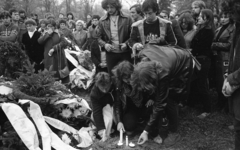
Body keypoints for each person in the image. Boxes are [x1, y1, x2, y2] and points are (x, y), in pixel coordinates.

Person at [131, 44, 195, 146]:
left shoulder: (163, 73)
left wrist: (145, 131)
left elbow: (160, 103)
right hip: (169, 59)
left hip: (184, 63)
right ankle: (161, 123)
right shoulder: (142, 55)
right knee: (161, 95)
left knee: (171, 99)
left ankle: (173, 131)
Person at [188, 9, 215, 118]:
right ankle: (192, 104)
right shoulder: (200, 30)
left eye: (201, 16)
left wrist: (192, 50)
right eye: (199, 16)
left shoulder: (209, 32)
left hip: (203, 61)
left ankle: (207, 110)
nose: (198, 17)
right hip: (197, 59)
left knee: (202, 84)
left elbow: (202, 47)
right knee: (194, 82)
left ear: (207, 19)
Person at [222, 0, 240, 149]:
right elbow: (233, 55)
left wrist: (233, 80)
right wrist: (227, 78)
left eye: (233, 13)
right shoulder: (237, 27)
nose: (232, 17)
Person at [98, 0, 133, 75]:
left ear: (117, 6)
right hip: (111, 53)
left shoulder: (127, 18)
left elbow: (133, 35)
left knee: (127, 75)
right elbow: (98, 37)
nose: (109, 10)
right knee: (112, 76)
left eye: (111, 7)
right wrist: (105, 45)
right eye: (107, 8)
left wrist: (126, 44)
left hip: (125, 53)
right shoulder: (102, 20)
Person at [212, 10, 234, 111]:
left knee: (224, 80)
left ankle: (226, 105)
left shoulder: (233, 29)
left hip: (226, 58)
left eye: (226, 17)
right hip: (217, 57)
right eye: (222, 17)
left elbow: (230, 45)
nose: (223, 19)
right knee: (218, 80)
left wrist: (215, 45)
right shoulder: (219, 28)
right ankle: (220, 102)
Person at [112, 61, 139, 135]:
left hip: (141, 105)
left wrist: (151, 98)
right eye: (125, 79)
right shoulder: (119, 84)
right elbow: (117, 104)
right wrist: (119, 121)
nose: (128, 81)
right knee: (128, 129)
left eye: (130, 77)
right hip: (129, 108)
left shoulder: (140, 77)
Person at [90, 72, 116, 142]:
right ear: (97, 85)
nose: (104, 91)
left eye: (106, 88)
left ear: (110, 83)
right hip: (103, 109)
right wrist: (101, 130)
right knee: (106, 120)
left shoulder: (115, 85)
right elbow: (97, 111)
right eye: (102, 88)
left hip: (115, 107)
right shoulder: (94, 94)